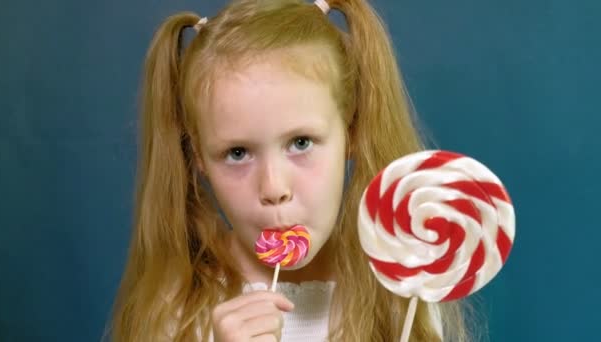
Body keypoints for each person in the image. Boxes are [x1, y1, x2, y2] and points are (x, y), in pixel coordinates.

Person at [109, 0, 474, 340]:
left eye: (301, 143)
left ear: (351, 131)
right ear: (198, 157)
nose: (273, 186)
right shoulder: (177, 309)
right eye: (237, 153)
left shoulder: (401, 292)